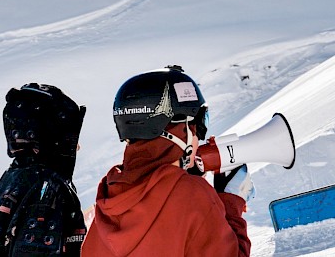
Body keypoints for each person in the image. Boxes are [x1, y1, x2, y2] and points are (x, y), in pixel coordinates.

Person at [81, 65, 254, 256]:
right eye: (199, 125)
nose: (200, 136)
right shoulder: (192, 195)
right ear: (179, 130)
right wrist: (231, 203)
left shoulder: (107, 200)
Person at [0, 83, 87, 257]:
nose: (77, 147)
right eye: (69, 137)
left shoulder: (13, 177)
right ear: (52, 138)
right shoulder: (48, 188)